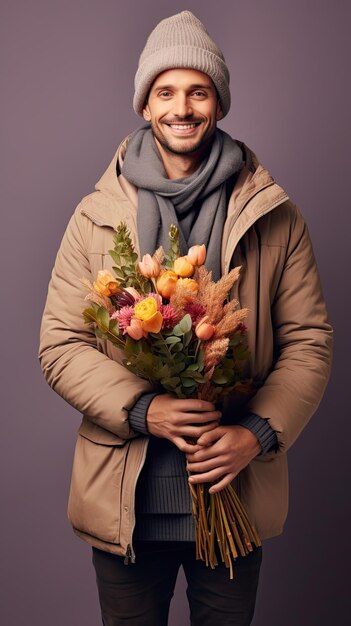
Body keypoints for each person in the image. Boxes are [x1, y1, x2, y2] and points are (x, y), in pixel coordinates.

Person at [39, 10, 333, 626]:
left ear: (218, 104)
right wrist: (145, 409)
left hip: (236, 497)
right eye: (165, 92)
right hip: (125, 501)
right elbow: (60, 346)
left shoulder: (274, 213)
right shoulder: (95, 216)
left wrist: (255, 433)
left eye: (198, 91)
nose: (182, 107)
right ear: (145, 106)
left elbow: (308, 343)